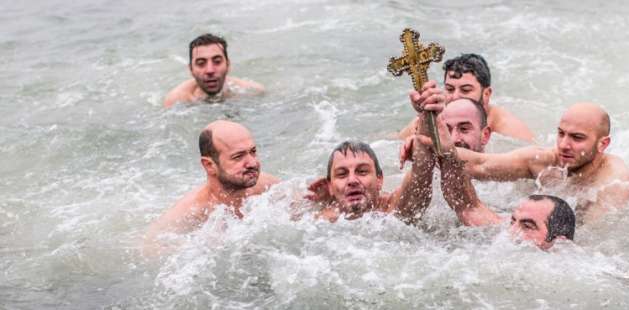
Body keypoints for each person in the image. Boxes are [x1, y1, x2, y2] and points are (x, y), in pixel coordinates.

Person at [404, 102, 576, 250]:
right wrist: (435, 137)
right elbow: (466, 205)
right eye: (512, 221)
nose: (511, 233)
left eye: (528, 226)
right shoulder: (501, 236)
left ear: (559, 243)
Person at [453, 102, 629, 224]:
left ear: (602, 144)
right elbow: (480, 165)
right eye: (561, 133)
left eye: (577, 138)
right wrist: (431, 137)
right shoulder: (546, 160)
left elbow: (587, 247)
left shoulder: (614, 184)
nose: (564, 145)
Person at [144, 120, 280, 255]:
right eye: (238, 157)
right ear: (209, 165)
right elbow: (150, 250)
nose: (252, 163)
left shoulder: (267, 186)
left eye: (253, 151)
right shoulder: (190, 214)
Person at [304, 115, 437, 224]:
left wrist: (425, 119)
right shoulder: (320, 220)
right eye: (342, 174)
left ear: (379, 180)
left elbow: (421, 173)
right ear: (330, 187)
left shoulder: (392, 209)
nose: (352, 180)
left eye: (362, 172)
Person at [399, 53, 535, 143]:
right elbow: (392, 146)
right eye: (450, 89)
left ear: (486, 94)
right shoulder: (434, 117)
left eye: (466, 90)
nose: (455, 97)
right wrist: (425, 118)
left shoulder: (509, 131)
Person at [163, 33, 264, 108]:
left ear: (228, 65)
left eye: (217, 61)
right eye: (201, 63)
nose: (210, 70)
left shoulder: (252, 92)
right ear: (191, 69)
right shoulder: (177, 101)